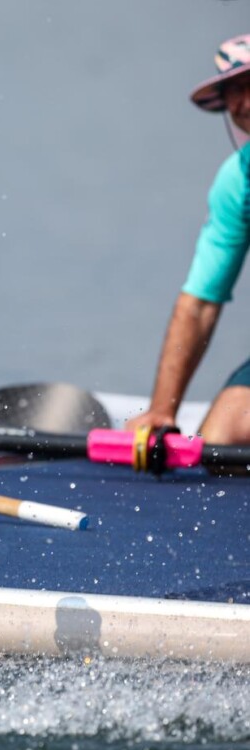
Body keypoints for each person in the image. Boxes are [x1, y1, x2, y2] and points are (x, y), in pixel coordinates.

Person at [128, 34, 250, 446]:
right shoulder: (237, 182)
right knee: (218, 442)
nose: (244, 103)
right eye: (234, 90)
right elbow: (198, 303)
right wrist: (163, 411)